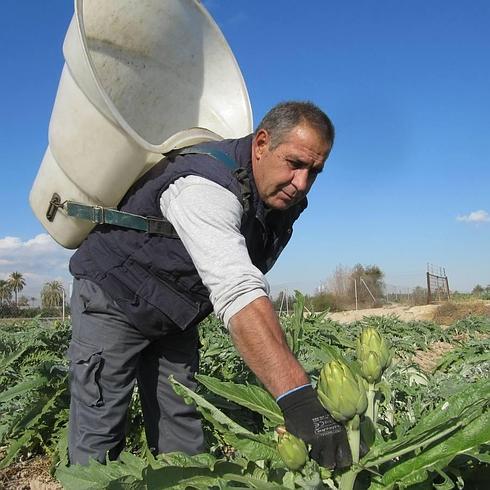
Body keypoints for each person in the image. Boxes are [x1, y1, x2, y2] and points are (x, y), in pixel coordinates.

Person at [67, 101, 352, 469]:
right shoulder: (203, 186)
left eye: (314, 171)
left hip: (175, 311)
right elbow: (237, 288)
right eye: (295, 163)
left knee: (181, 425)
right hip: (115, 295)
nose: (301, 184)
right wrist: (298, 400)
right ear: (262, 144)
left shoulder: (280, 199)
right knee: (99, 432)